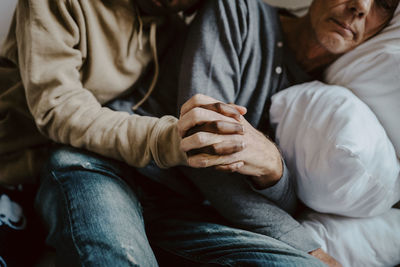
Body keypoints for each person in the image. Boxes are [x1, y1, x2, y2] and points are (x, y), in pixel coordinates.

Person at [0, 0, 396, 266]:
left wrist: (272, 167)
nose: (360, 7)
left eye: (384, 3)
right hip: (105, 165)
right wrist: (306, 243)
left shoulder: (327, 96)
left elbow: (285, 198)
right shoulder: (237, 11)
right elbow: (204, 148)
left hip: (184, 209)